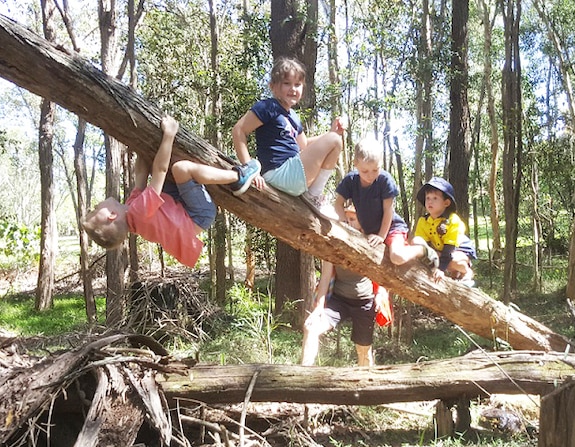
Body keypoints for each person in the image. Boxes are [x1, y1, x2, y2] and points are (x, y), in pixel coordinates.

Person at [81, 116, 260, 268]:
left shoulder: (132, 210)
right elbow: (160, 170)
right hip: (197, 215)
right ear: (112, 215)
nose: (98, 204)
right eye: (97, 208)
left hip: (177, 205)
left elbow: (141, 174)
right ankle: (238, 176)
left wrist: (139, 146)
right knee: (181, 169)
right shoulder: (139, 213)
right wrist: (169, 134)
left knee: (166, 171)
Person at [231, 56, 345, 207]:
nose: (293, 89)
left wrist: (330, 133)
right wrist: (248, 167)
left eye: (297, 85)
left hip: (292, 173)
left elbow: (304, 145)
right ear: (273, 86)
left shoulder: (293, 116)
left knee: (336, 140)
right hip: (278, 172)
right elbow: (239, 130)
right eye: (287, 84)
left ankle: (313, 194)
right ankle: (314, 195)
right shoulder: (268, 107)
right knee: (334, 140)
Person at [301, 205, 389, 367]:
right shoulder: (334, 245)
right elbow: (326, 277)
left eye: (352, 219)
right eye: (346, 218)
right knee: (311, 327)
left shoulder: (372, 245)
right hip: (338, 300)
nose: (347, 222)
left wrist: (381, 293)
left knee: (364, 351)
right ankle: (303, 377)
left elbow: (382, 276)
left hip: (365, 301)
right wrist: (318, 308)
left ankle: (367, 388)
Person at [333, 136, 435, 269]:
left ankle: (422, 250)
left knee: (397, 257)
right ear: (355, 163)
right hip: (368, 232)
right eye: (365, 171)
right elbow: (338, 204)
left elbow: (388, 211)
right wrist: (344, 224)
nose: (370, 175)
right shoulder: (350, 181)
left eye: (375, 170)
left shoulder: (385, 180)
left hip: (392, 228)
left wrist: (381, 236)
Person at [413, 176, 477, 284]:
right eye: (428, 198)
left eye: (435, 198)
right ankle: (454, 274)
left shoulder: (452, 220)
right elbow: (423, 244)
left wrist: (441, 269)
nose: (430, 202)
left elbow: (449, 248)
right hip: (440, 251)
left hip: (457, 249)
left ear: (446, 203)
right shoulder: (423, 221)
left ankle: (466, 271)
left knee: (454, 263)